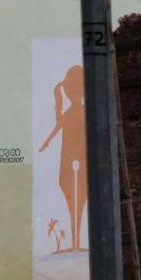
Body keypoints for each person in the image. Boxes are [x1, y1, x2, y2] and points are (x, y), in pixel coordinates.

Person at [37, 65, 88, 253]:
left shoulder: (81, 112)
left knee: (80, 197)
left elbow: (59, 126)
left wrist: (47, 142)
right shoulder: (71, 112)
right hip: (68, 160)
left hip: (79, 159)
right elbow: (58, 126)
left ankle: (75, 242)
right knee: (70, 193)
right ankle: (74, 242)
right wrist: (47, 143)